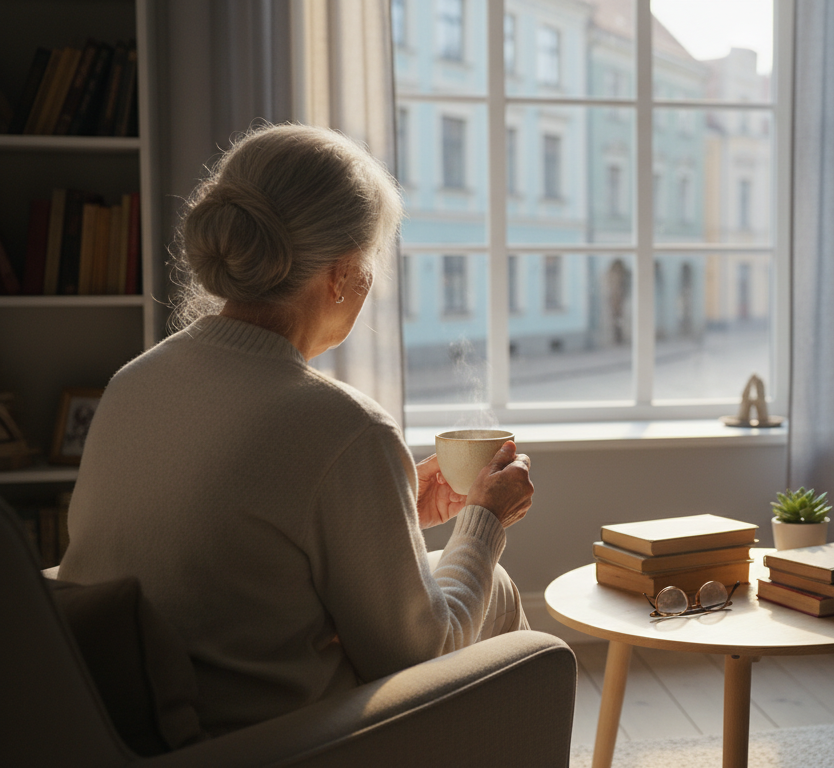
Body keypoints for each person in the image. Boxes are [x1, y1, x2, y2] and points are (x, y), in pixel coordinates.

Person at [57, 123, 535, 736]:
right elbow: (420, 653)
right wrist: (486, 518)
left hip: (119, 731)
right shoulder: (344, 428)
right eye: (369, 263)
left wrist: (396, 511)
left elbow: (236, 553)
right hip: (278, 745)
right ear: (339, 274)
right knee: (491, 588)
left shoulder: (132, 384)